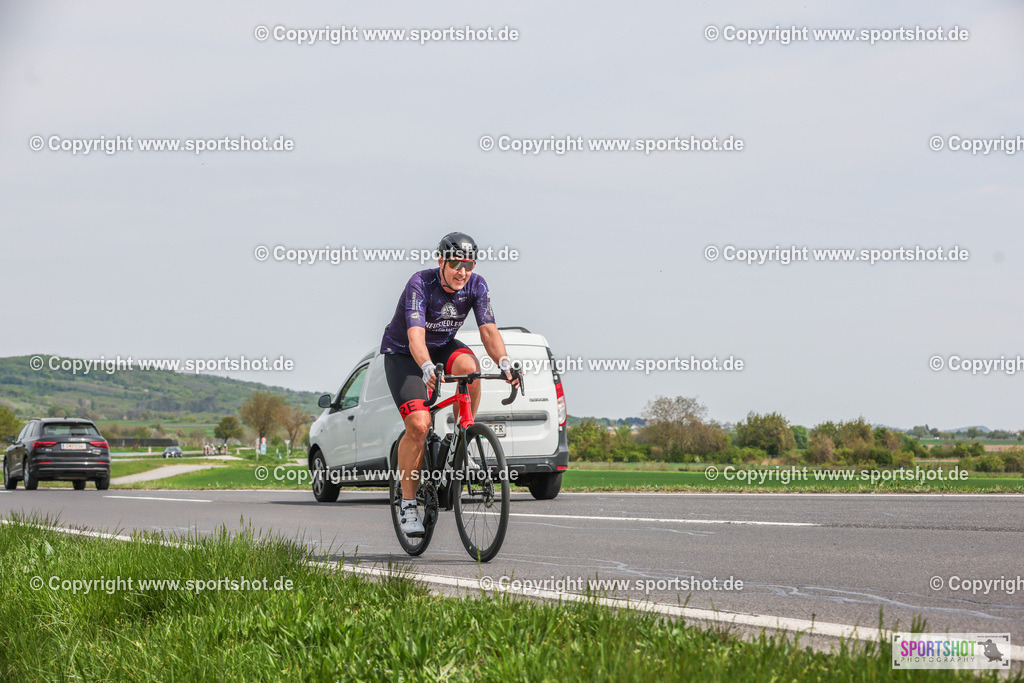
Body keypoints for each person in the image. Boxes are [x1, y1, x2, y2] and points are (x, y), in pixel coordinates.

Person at [380, 232, 518, 536]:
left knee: (472, 369)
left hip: (442, 347)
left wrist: (505, 363)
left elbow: (489, 330)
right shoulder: (420, 283)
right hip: (404, 354)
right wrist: (426, 366)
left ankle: (464, 433)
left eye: (468, 264)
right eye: (456, 263)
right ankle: (406, 503)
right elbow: (415, 335)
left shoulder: (476, 285)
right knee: (418, 424)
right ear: (441, 261)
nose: (462, 272)